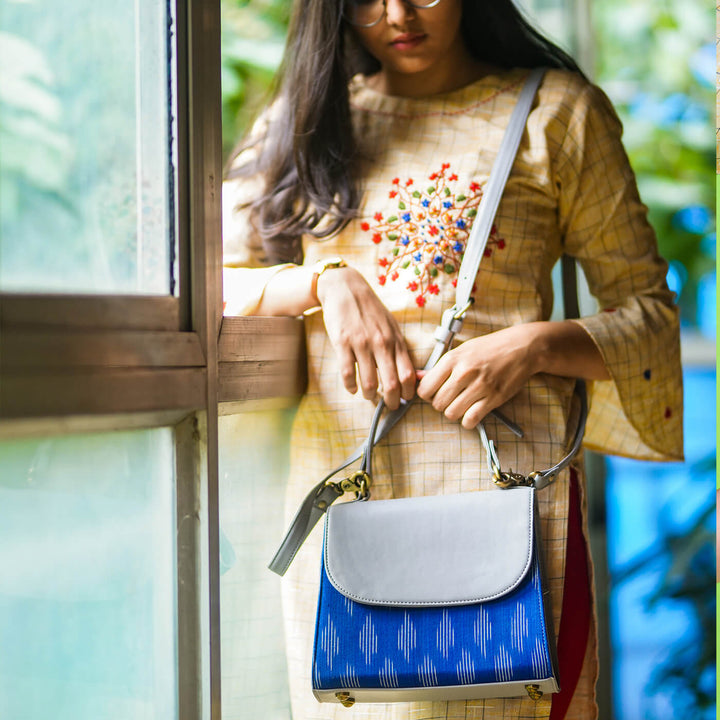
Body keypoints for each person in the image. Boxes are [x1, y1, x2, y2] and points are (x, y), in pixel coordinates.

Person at [222, 0, 684, 717]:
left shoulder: (553, 112)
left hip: (510, 502)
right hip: (350, 497)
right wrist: (324, 281)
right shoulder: (307, 120)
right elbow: (206, 284)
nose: (399, 15)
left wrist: (534, 347)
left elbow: (650, 317)